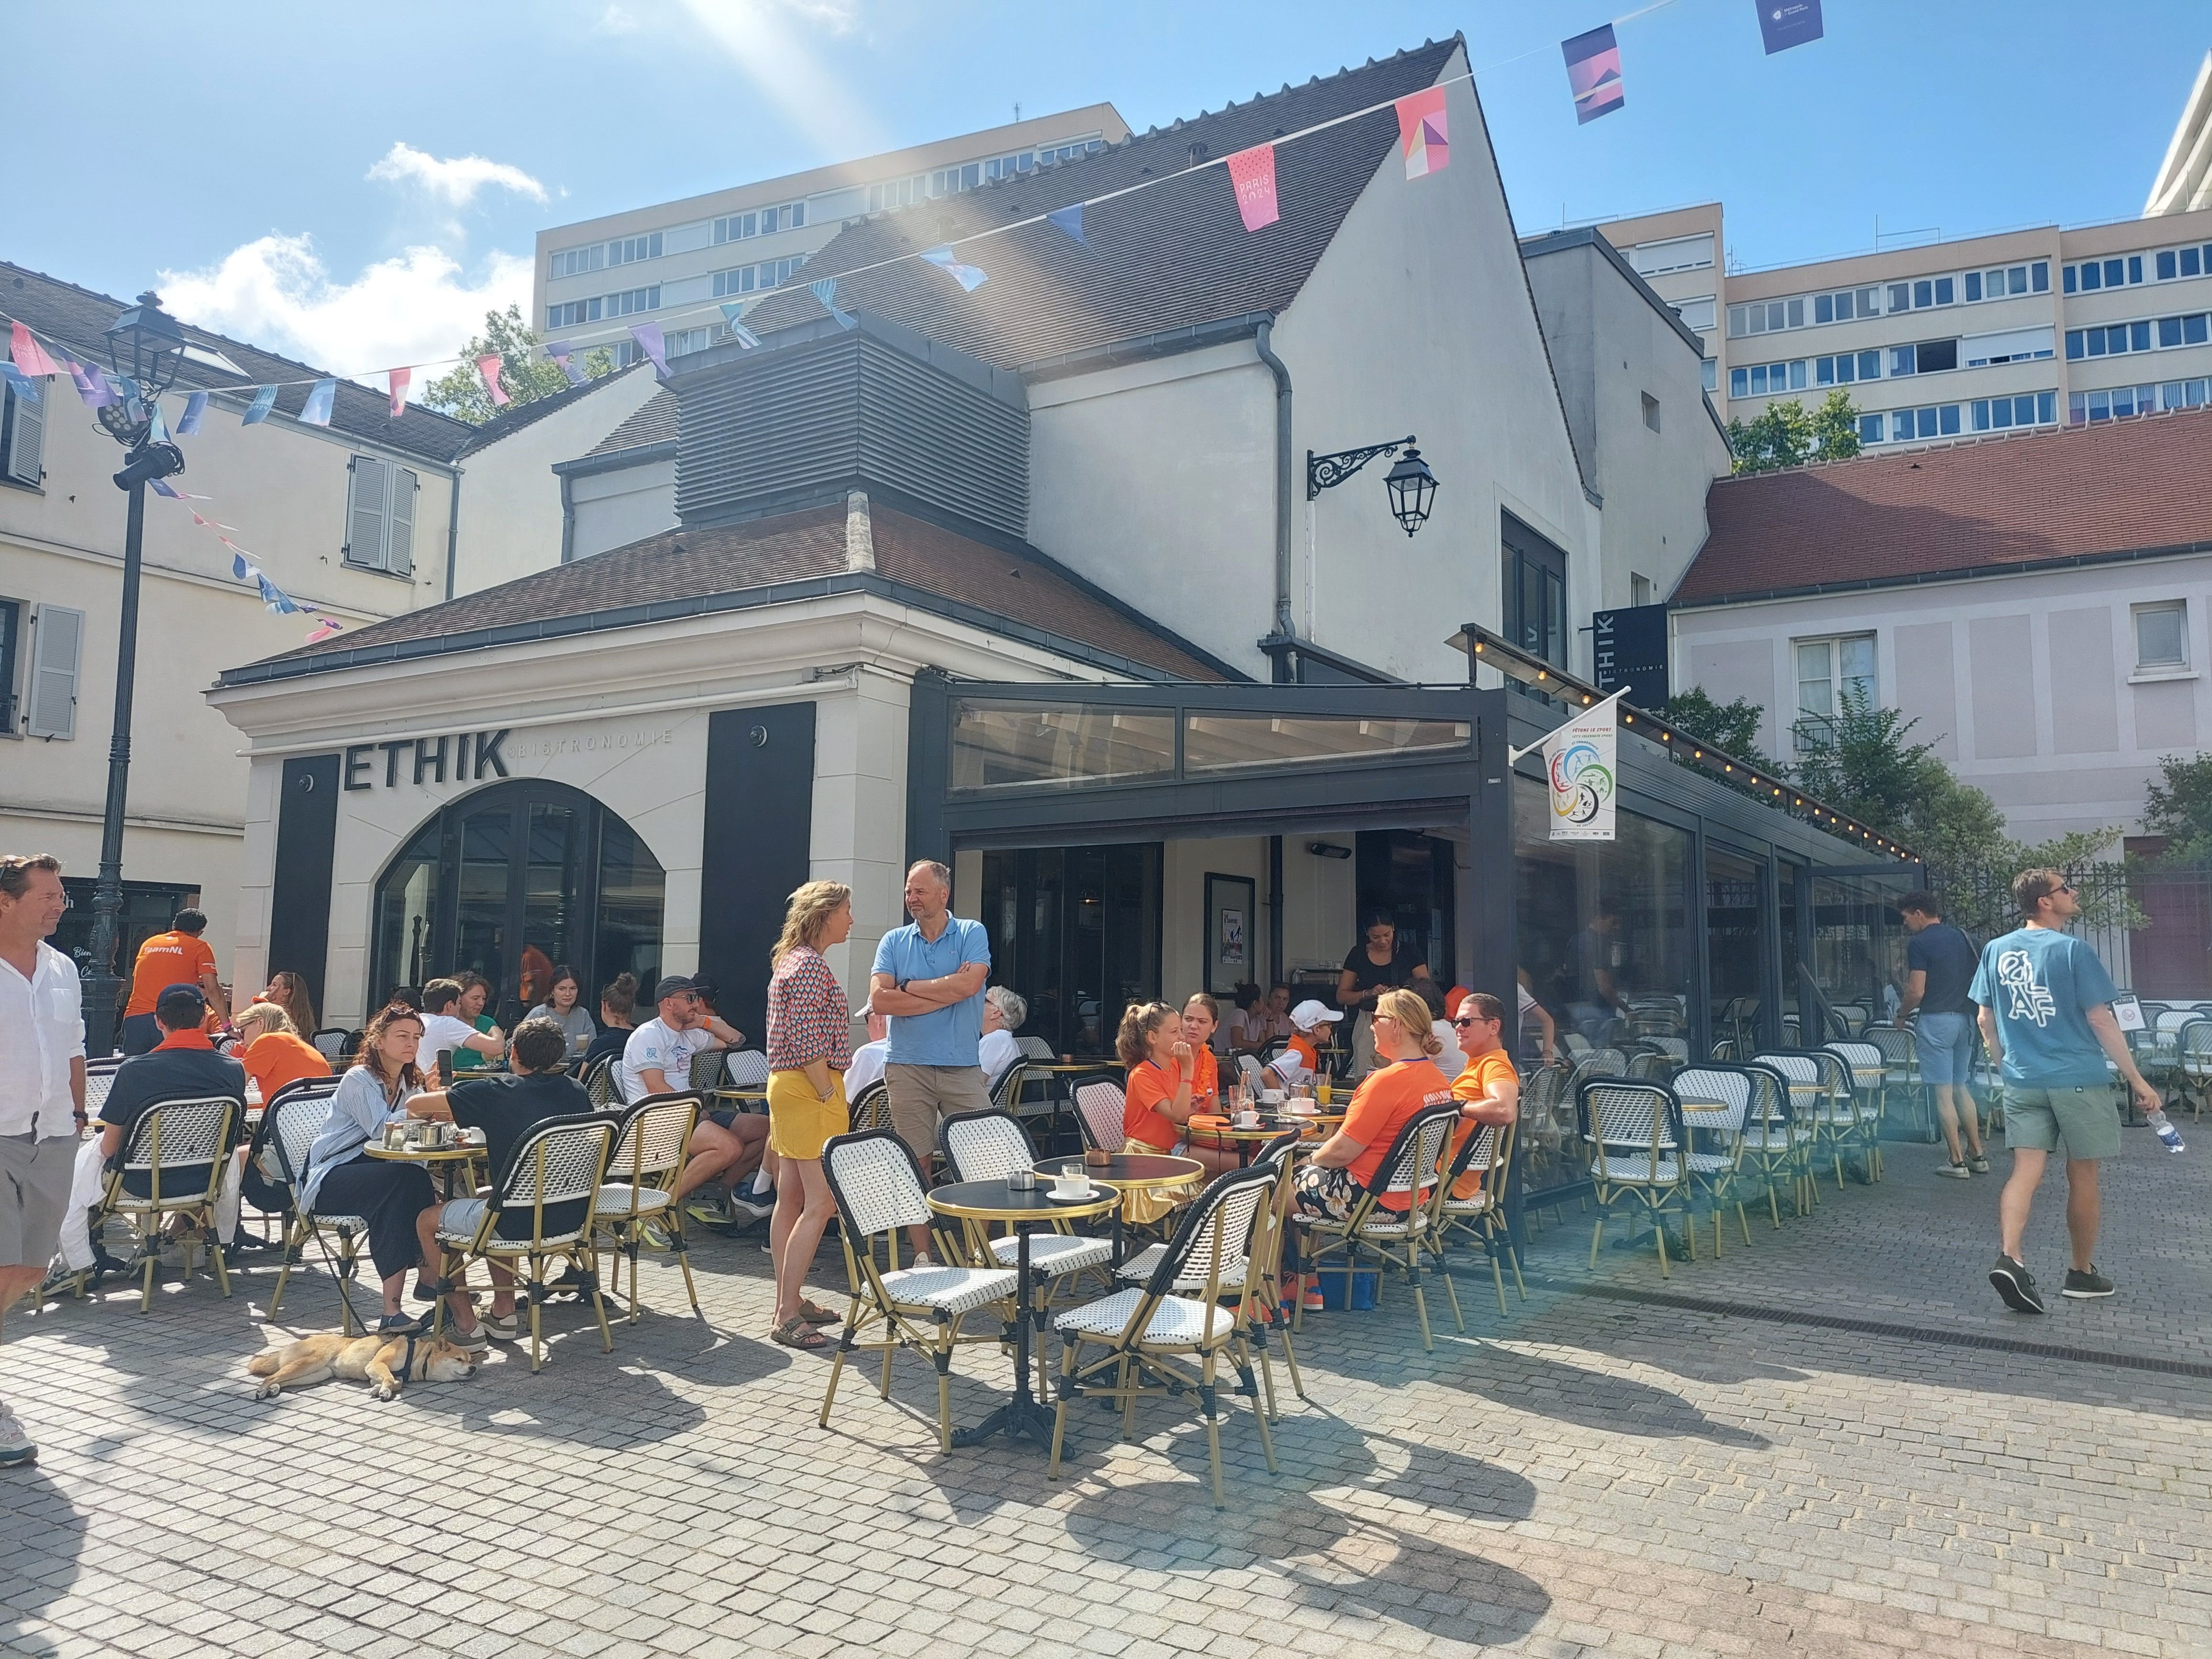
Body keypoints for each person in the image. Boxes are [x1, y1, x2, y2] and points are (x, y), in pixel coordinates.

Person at [1974, 869, 2161, 1315]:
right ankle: (2081, 1272)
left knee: (2025, 1171)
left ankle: (2011, 1257)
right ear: (2045, 901)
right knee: (2083, 1175)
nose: (2072, 894)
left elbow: (1985, 1021)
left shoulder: (1994, 950)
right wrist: (2137, 1079)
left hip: (2023, 1080)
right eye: (2064, 890)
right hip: (2077, 1078)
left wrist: (2009, 1068)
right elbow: (2100, 1021)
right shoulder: (2073, 951)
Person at [409, 1015, 591, 1347]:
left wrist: (439, 1092)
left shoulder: (494, 1092)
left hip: (518, 1220)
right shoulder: (576, 1091)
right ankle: (503, 1313)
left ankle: (466, 1324)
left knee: (426, 1221)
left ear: (514, 1052)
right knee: (494, 1195)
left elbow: (415, 1106)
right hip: (571, 1217)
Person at [1286, 987, 1455, 1308]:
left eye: (1377, 1018)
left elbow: (1342, 1152)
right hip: (1413, 1200)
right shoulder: (1435, 1079)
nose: (1372, 1025)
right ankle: (1306, 1283)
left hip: (1370, 1199)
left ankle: (1282, 1288)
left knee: (1278, 1187)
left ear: (1397, 1025)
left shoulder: (1385, 1081)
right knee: (1307, 1181)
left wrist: (1306, 1160)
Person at [0, 853, 86, 1468]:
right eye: (48, 896)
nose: (59, 905)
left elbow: (76, 1046)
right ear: (6, 901)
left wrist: (78, 1119)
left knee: (28, 1272)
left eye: (61, 897)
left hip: (55, 1134)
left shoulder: (62, 969)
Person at [869, 861, 992, 1262]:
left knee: (979, 1160)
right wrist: (946, 991)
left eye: (919, 891)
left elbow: (971, 985)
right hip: (907, 1066)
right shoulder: (893, 940)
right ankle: (922, 1256)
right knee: (913, 1161)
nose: (911, 898)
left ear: (944, 894)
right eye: (908, 891)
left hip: (961, 1066)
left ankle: (977, 1253)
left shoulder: (972, 932)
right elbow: (880, 1001)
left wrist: (909, 988)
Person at [297, 1003, 442, 1335]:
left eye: (417, 1037)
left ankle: (396, 1307)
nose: (412, 1044)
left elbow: (412, 1137)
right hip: (332, 1177)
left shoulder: (410, 1084)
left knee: (409, 1183)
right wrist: (425, 1107)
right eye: (402, 1036)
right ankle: (425, 1279)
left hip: (381, 1176)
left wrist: (431, 1106)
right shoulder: (358, 1079)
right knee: (404, 1183)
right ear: (378, 1040)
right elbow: (382, 1129)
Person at [763, 881, 855, 1350]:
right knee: (821, 1203)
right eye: (846, 911)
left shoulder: (794, 962)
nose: (851, 920)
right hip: (809, 1088)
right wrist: (825, 1089)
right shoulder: (809, 967)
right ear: (824, 915)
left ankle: (791, 1300)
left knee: (794, 1198)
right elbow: (806, 1038)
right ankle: (785, 1313)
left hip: (794, 1087)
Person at [621, 975, 769, 1223]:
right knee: (729, 1147)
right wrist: (695, 1108)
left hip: (689, 1112)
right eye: (689, 998)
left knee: (767, 1130)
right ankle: (660, 1207)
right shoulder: (649, 1035)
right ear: (668, 1004)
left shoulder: (688, 1034)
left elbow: (736, 1041)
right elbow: (656, 1088)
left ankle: (713, 1195)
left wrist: (704, 1020)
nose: (696, 1003)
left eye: (697, 999)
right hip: (655, 1119)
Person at [1896, 890, 1989, 1178]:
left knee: (1943, 1092)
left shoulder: (1919, 944)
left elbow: (1916, 990)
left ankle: (1956, 1160)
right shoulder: (1965, 938)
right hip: (1966, 1020)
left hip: (1936, 1021)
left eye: (1906, 917)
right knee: (1961, 1086)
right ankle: (1978, 1155)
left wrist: (1901, 1015)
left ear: (1919, 913)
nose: (1906, 923)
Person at [1116, 1003, 1237, 1178]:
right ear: (1152, 1037)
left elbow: (1178, 1114)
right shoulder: (1142, 1074)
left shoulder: (1171, 1069)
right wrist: (1188, 1070)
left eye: (1181, 1030)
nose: (1182, 1036)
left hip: (1167, 1152)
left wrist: (1189, 1108)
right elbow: (1177, 1116)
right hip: (1145, 1159)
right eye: (1175, 1032)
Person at [1338, 914, 1436, 1077]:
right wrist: (1367, 993)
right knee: (1366, 1074)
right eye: (1375, 937)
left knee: (1403, 1072)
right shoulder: (1358, 954)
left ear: (1393, 929)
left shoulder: (1409, 952)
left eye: (1387, 935)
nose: (1382, 941)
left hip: (1405, 1019)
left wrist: (1400, 993)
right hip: (1370, 1019)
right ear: (1367, 934)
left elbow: (1426, 988)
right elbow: (1342, 996)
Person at [120, 907, 227, 1056]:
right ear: (200, 932)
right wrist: (227, 1026)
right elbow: (213, 989)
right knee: (170, 1071)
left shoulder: (149, 943)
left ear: (174, 925)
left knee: (135, 1070)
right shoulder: (200, 947)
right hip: (171, 1020)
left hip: (136, 1018)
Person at [1446, 993, 1521, 1201]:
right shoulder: (1480, 1063)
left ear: (1494, 1027)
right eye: (1456, 1022)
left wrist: (1457, 1107)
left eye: (1466, 1022)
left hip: (1445, 1181)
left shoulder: (1494, 1065)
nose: (1458, 1028)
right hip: (1443, 1176)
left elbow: (1504, 1110)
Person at [233, 1000, 333, 1105]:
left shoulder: (267, 1041)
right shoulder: (304, 1047)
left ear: (260, 1023)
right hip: (316, 1117)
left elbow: (235, 1086)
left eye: (242, 1031)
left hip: (283, 1117)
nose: (241, 1042)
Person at [1562, 905, 1627, 1041]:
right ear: (1598, 919)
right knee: (1604, 1052)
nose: (1617, 928)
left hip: (1574, 1007)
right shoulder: (1599, 944)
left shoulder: (1575, 940)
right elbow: (1604, 987)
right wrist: (1626, 1009)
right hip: (1597, 1008)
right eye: (1613, 922)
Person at [418, 978, 505, 1078]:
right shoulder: (448, 1024)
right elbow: (496, 1048)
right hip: (427, 1085)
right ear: (449, 1005)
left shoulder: (418, 1019)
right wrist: (495, 1030)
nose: (460, 1006)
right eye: (459, 1002)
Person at [1266, 1000, 1343, 1090]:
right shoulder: (1298, 1054)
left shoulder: (1307, 1051)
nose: (1331, 1030)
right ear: (1317, 1029)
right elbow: (1267, 1074)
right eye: (1329, 1026)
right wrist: (1282, 1101)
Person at [526, 963, 597, 1058]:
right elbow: (523, 1050)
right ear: (552, 991)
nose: (568, 994)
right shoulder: (539, 1015)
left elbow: (591, 1049)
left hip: (576, 1070)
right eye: (562, 989)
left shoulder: (583, 1015)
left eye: (573, 988)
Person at [580, 973, 639, 1073]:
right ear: (632, 1007)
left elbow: (582, 1083)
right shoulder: (642, 1038)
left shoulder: (599, 1045)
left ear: (604, 1006)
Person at [979, 986, 1027, 1092]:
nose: (977, 1001)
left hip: (977, 1107)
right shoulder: (1006, 1040)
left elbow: (974, 1084)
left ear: (996, 1012)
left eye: (984, 1000)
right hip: (991, 1107)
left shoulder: (994, 1040)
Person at [450, 973, 501, 1071]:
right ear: (458, 999)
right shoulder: (447, 1023)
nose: (481, 1003)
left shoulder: (488, 1023)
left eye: (484, 999)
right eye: (475, 998)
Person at [255, 970, 320, 1042]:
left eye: (275, 985)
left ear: (286, 992)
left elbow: (250, 1027)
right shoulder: (298, 1014)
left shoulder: (278, 1014)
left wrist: (260, 1002)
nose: (268, 988)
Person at [845, 1003, 891, 1099]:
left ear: (878, 1018)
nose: (867, 1028)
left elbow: (846, 1100)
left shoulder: (868, 1054)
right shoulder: (921, 1054)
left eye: (867, 1019)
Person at [1225, 984, 1271, 1055]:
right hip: (1222, 1057)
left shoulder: (1257, 1019)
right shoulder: (1239, 1013)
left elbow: (1266, 1042)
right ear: (1255, 1003)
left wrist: (1270, 1019)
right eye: (1262, 1001)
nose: (1264, 1004)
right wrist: (1262, 1045)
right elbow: (1237, 1043)